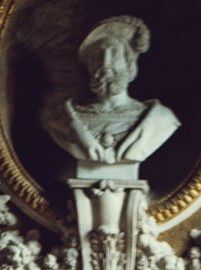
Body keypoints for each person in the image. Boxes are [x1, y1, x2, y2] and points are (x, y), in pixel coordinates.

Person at [43, 14, 180, 170]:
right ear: (89, 66)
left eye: (114, 54)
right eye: (97, 55)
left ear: (129, 65)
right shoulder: (61, 120)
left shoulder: (160, 120)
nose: (105, 62)